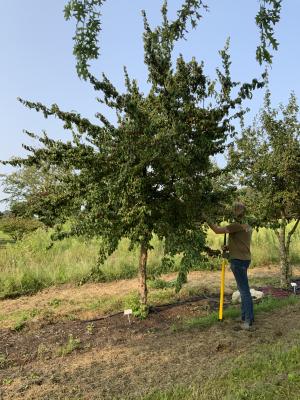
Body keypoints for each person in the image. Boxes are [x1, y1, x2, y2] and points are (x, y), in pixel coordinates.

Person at [206, 202, 254, 330]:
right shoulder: (247, 226)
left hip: (238, 261)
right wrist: (228, 247)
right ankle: (245, 317)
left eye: (234, 210)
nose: (233, 213)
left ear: (237, 212)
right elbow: (241, 242)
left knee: (244, 291)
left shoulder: (235, 225)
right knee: (243, 289)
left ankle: (248, 320)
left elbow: (216, 230)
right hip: (245, 259)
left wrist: (205, 218)